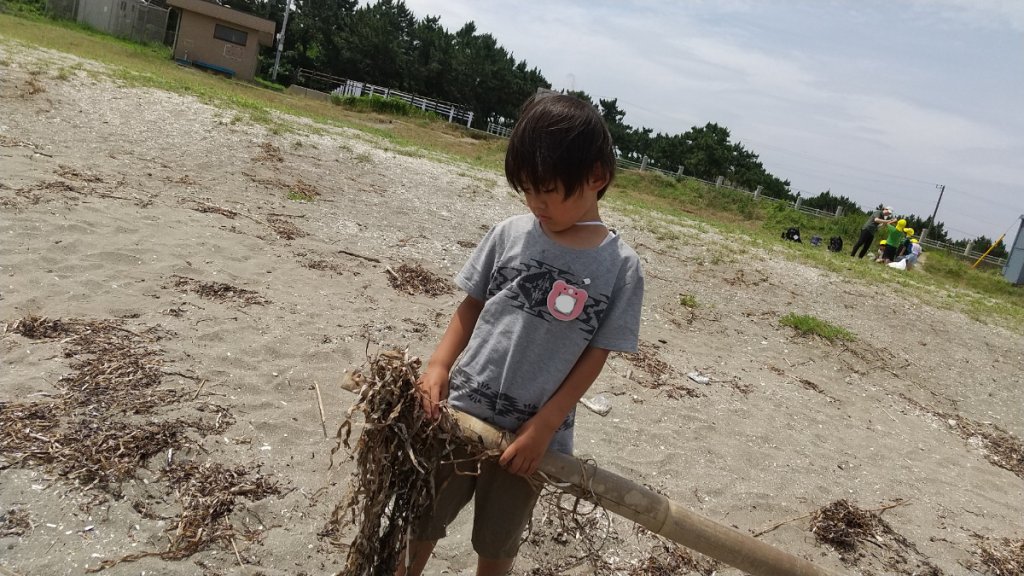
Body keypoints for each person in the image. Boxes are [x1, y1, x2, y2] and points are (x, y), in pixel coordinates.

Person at [399, 94, 645, 576]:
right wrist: (438, 365)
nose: (536, 204)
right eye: (526, 190)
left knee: (498, 541)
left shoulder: (620, 268)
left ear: (596, 176)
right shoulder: (512, 232)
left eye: (548, 190)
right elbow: (470, 306)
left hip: (530, 437)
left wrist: (545, 426)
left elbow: (596, 355)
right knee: (423, 516)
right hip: (462, 411)